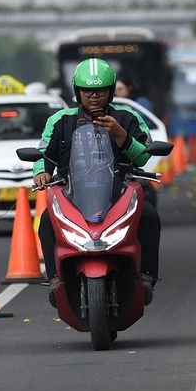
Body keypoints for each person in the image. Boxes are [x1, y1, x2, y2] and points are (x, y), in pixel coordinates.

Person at [33, 58, 160, 305]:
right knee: (47, 220)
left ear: (110, 91)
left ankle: (146, 276)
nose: (94, 97)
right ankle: (55, 279)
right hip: (72, 191)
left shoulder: (127, 117)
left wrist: (121, 135)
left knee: (149, 216)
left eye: (100, 91)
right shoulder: (60, 120)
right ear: (77, 92)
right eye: (87, 91)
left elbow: (143, 157)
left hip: (119, 191)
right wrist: (41, 172)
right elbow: (43, 155)